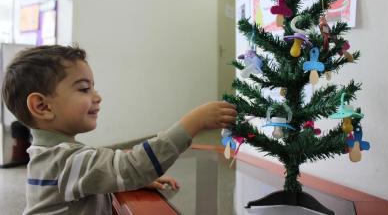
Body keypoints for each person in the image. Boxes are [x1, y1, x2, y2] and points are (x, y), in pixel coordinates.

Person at [1, 45, 237, 215]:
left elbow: (106, 174)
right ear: (42, 106)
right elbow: (134, 166)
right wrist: (193, 122)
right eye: (84, 89)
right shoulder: (65, 160)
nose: (97, 96)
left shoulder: (53, 155)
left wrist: (120, 179)